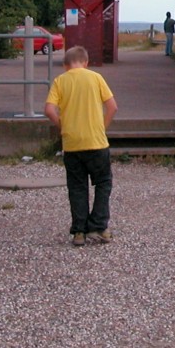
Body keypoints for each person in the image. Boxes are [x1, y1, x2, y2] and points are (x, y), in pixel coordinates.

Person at [44, 45, 118, 246]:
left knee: (77, 187)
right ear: (85, 62)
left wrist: (63, 126)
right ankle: (100, 226)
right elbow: (112, 107)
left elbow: (49, 110)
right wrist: (102, 127)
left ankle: (79, 232)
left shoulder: (60, 81)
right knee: (103, 183)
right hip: (96, 142)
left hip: (72, 144)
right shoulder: (95, 78)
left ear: (65, 65)